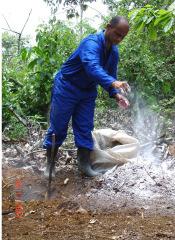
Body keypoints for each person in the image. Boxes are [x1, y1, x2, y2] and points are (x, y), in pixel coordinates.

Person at [43, 16, 130, 177]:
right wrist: (113, 82)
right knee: (58, 127)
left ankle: (84, 166)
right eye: (117, 34)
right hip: (67, 87)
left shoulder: (114, 52)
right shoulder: (91, 43)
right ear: (108, 27)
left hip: (88, 92)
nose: (119, 39)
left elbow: (110, 74)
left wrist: (116, 94)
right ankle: (50, 165)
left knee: (85, 127)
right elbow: (92, 67)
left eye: (122, 37)